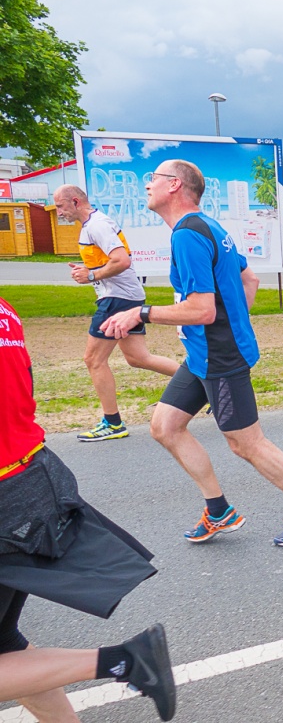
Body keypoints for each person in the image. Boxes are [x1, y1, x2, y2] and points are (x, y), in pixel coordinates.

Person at [101, 160, 283, 547]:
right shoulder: (208, 227)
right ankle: (219, 510)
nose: (147, 186)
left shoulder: (188, 235)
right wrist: (235, 321)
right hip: (202, 353)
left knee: (246, 443)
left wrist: (139, 313)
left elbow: (202, 310)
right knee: (165, 427)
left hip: (218, 355)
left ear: (174, 185)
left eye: (152, 179)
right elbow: (249, 278)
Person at [0, 294, 176, 721]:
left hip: (7, 492)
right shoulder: (4, 309)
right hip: (29, 476)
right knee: (5, 646)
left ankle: (125, 660)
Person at [52, 185, 179, 442]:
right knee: (138, 358)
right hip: (123, 297)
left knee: (93, 359)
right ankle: (205, 384)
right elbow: (108, 261)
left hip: (117, 299)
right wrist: (89, 269)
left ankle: (113, 423)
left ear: (75, 201)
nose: (58, 212)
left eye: (60, 206)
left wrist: (91, 275)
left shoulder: (97, 224)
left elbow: (122, 260)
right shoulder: (90, 225)